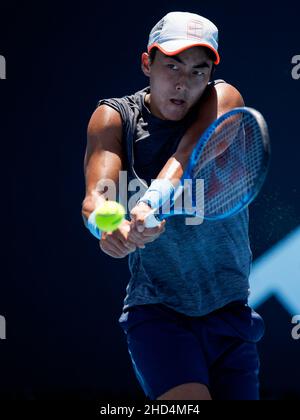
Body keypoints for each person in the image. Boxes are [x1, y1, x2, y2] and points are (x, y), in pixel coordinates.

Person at [81, 11, 265, 400]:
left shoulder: (223, 99)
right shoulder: (114, 118)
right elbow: (96, 198)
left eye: (199, 71)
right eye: (172, 66)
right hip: (158, 312)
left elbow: (185, 157)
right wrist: (109, 226)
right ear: (147, 63)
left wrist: (148, 205)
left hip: (230, 310)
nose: (183, 83)